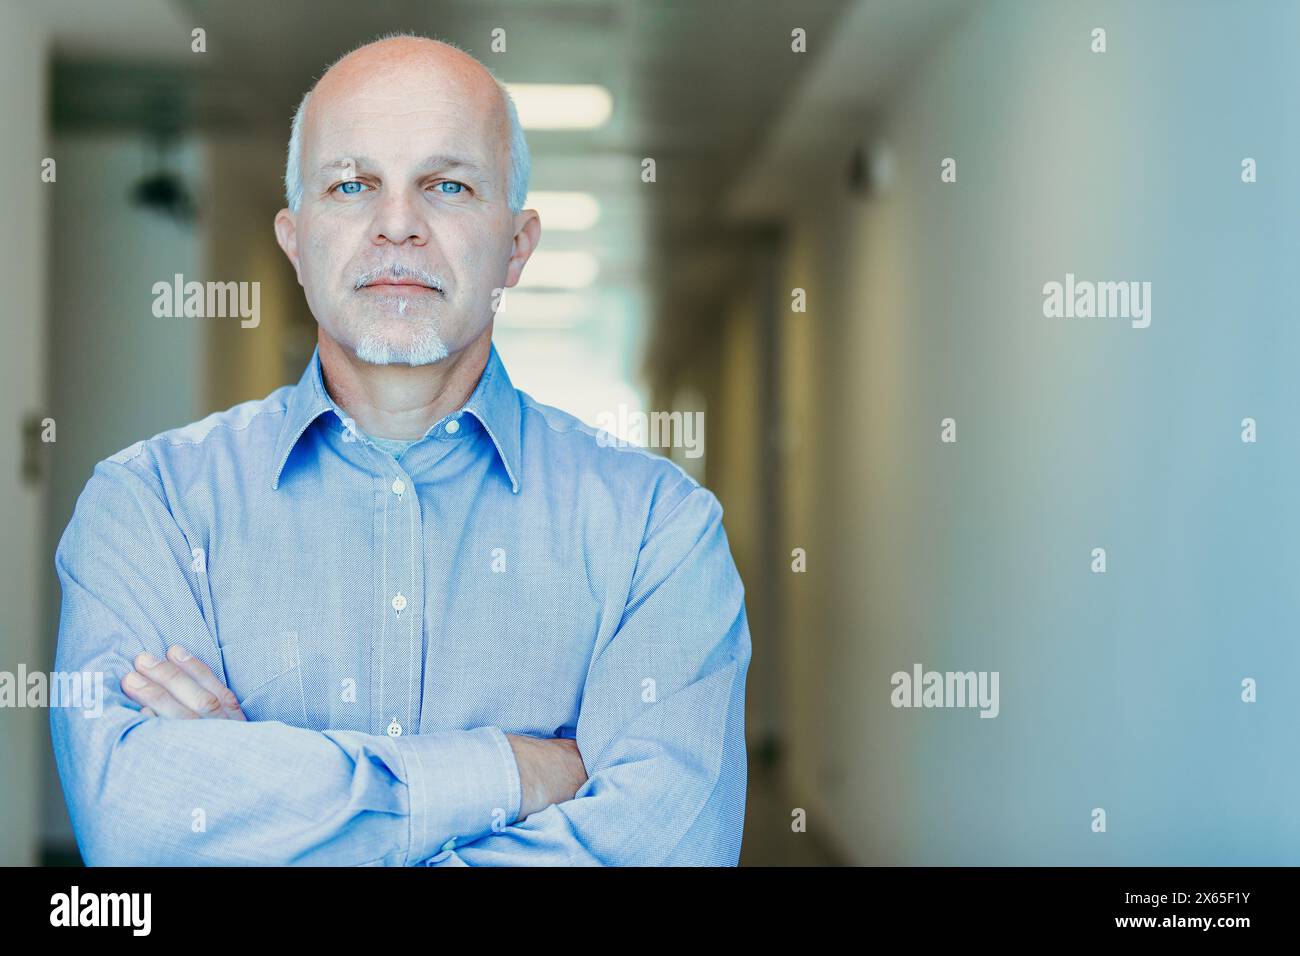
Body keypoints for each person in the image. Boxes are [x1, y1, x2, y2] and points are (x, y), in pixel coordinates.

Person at [49, 33, 751, 866]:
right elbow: (139, 826)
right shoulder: (149, 505)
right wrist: (510, 772)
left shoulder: (658, 532)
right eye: (351, 185)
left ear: (517, 246)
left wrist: (260, 799)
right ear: (295, 239)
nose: (396, 225)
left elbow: (668, 847)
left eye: (447, 185)